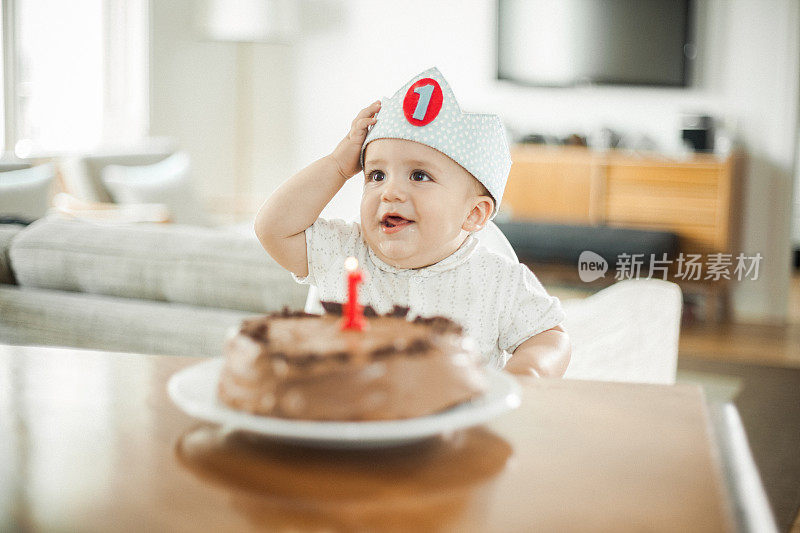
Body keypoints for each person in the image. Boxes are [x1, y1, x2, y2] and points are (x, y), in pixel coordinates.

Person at [255, 67, 570, 377]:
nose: (390, 191)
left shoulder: (497, 281)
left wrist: (529, 371)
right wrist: (338, 165)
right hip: (346, 421)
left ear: (473, 214)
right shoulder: (342, 251)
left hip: (451, 423)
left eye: (419, 176)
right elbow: (273, 228)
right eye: (377, 175)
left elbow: (549, 336)